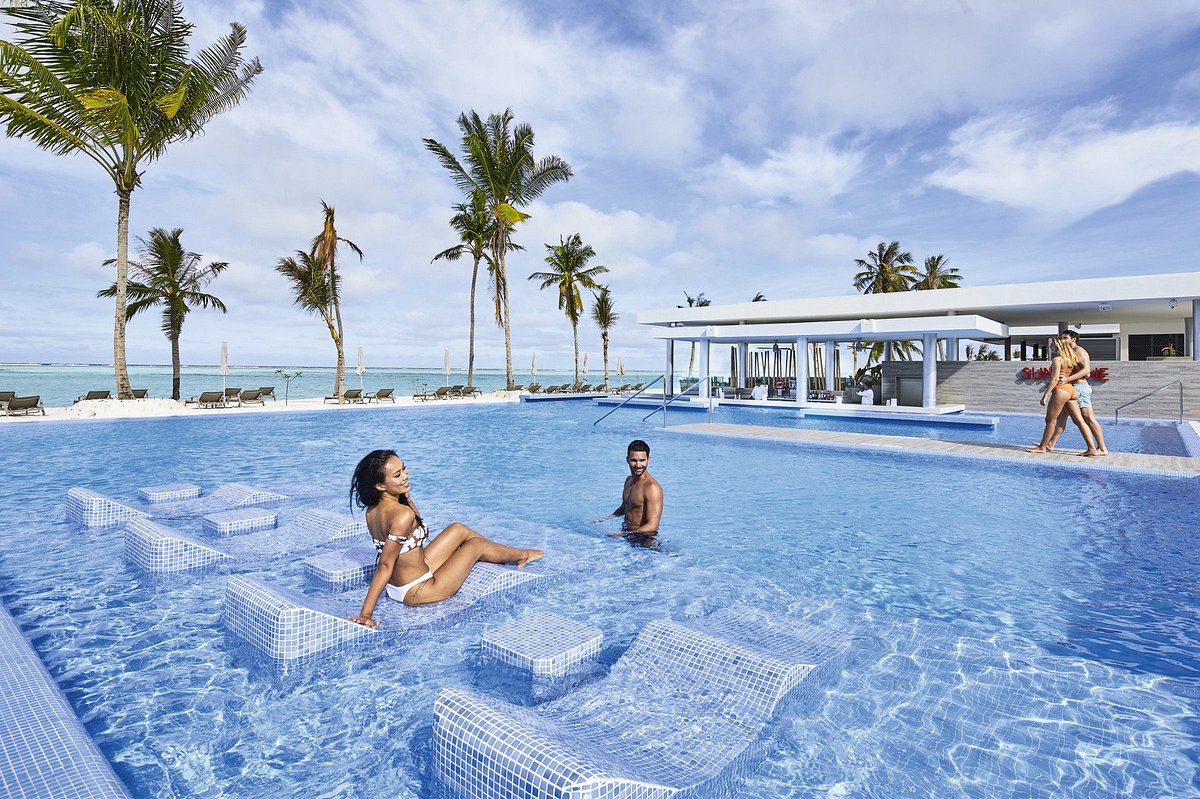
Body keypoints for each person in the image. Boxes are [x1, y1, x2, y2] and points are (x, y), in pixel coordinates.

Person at [347, 450, 542, 628]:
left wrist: (406, 496)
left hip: (406, 580)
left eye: (404, 469)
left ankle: (499, 551)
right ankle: (522, 556)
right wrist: (366, 614)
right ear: (380, 485)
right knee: (476, 545)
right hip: (419, 590)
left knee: (458, 529)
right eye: (397, 475)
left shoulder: (372, 511)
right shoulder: (402, 515)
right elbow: (385, 565)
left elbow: (417, 529)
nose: (405, 475)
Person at [1027, 334, 1100, 455]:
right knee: (1079, 421)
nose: (1050, 347)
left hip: (1061, 390)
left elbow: (1055, 379)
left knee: (1050, 420)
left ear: (1058, 346)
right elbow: (1086, 373)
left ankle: (1042, 447)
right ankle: (1092, 448)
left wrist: (1045, 395)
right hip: (1072, 390)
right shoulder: (1071, 359)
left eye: (1052, 345)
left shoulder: (1057, 359)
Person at [1047, 329, 1109, 454]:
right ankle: (1049, 444)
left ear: (1073, 339)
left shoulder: (1079, 351)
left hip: (1080, 388)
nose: (1062, 340)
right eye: (1061, 338)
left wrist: (1067, 379)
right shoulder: (1068, 353)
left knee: (1088, 418)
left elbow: (1086, 371)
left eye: (1065, 338)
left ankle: (1102, 448)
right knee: (1062, 418)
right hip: (1070, 389)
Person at [593, 439, 663, 537]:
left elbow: (653, 526)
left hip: (644, 538)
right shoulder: (628, 481)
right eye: (634, 460)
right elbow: (624, 508)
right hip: (628, 533)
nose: (638, 465)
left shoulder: (652, 488)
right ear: (627, 460)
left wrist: (622, 535)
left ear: (648, 459)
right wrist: (604, 519)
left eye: (642, 460)